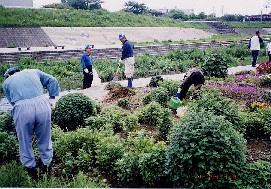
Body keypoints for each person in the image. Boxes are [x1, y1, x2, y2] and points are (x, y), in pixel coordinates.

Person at [2, 68, 60, 180]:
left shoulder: (6, 82)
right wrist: (52, 98)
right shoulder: (34, 71)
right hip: (43, 104)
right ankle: (47, 165)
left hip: (22, 108)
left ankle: (31, 170)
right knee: (45, 138)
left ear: (9, 75)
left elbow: (13, 102)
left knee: (24, 140)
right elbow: (52, 80)